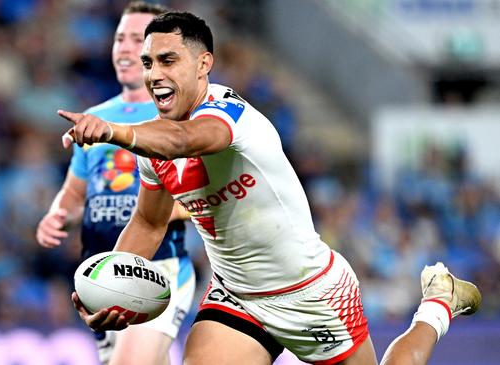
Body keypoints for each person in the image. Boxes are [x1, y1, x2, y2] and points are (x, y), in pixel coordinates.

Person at [58, 11, 482, 365]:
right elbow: (149, 223)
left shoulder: (229, 116)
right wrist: (112, 285)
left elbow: (183, 141)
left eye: (168, 60)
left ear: (203, 64)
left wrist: (113, 130)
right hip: (237, 295)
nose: (155, 74)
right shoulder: (149, 143)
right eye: (148, 63)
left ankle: (437, 303)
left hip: (311, 290)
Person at [36, 3, 195, 365]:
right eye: (119, 38)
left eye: (136, 39)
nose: (124, 48)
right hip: (99, 276)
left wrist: (158, 213)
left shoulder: (181, 120)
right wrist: (58, 214)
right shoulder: (96, 118)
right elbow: (76, 194)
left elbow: (207, 198)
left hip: (157, 269)